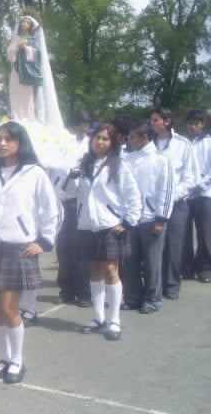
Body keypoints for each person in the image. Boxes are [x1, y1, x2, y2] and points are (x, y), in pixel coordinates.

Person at [0, 121, 60, 384]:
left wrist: (44, 242)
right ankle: (3, 358)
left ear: (20, 143)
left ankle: (17, 361)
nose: (2, 143)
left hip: (17, 248)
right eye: (0, 139)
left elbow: (52, 210)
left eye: (8, 139)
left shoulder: (35, 173)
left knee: (10, 308)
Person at [77, 123, 141, 341]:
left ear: (113, 142)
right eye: (97, 138)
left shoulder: (118, 165)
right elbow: (74, 193)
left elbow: (133, 194)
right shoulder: (84, 163)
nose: (100, 142)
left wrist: (129, 221)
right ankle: (98, 318)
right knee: (94, 271)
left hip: (109, 225)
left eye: (105, 138)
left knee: (111, 271)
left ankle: (114, 320)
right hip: (87, 225)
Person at [122, 121, 174, 313]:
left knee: (152, 263)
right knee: (130, 262)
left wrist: (161, 219)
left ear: (144, 137)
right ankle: (133, 297)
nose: (129, 140)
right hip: (130, 219)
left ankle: (152, 299)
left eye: (132, 137)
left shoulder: (160, 160)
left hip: (151, 219)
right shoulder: (127, 159)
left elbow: (166, 191)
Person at [150, 108, 196, 299]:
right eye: (151, 120)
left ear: (167, 121)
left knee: (174, 246)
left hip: (177, 204)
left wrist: (171, 196)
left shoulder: (182, 144)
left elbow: (190, 178)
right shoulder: (148, 144)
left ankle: (171, 285)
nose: (152, 123)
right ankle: (155, 286)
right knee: (154, 247)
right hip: (152, 205)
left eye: (155, 120)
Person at [49, 111, 93, 307]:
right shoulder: (57, 143)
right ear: (73, 126)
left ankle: (84, 291)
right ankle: (66, 290)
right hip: (60, 201)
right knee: (63, 248)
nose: (85, 130)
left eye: (87, 127)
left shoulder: (90, 144)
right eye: (82, 127)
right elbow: (50, 170)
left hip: (79, 201)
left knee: (80, 248)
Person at [6, 15, 63, 127]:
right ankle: (16, 116)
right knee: (15, 94)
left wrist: (26, 48)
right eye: (23, 22)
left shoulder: (32, 39)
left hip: (27, 73)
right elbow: (9, 56)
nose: (24, 24)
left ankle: (27, 118)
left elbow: (37, 55)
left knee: (27, 97)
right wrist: (17, 46)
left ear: (30, 26)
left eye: (27, 23)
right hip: (16, 72)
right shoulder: (16, 39)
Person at [182, 109, 211, 283]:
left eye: (196, 123)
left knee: (205, 233)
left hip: (204, 194)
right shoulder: (182, 143)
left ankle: (204, 268)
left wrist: (200, 185)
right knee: (184, 234)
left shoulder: (209, 142)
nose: (193, 127)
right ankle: (186, 268)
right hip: (185, 195)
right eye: (190, 123)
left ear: (203, 124)